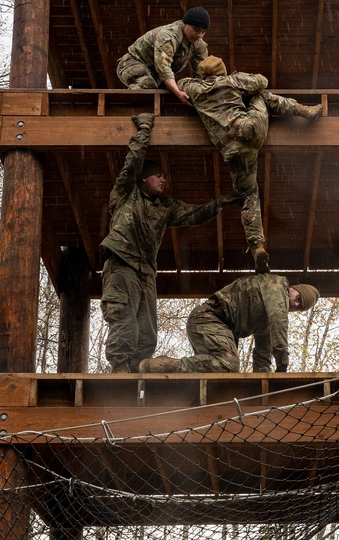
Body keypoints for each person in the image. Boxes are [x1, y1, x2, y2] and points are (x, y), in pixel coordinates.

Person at [100, 113, 236, 372]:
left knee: (148, 331)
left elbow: (194, 214)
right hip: (121, 264)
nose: (163, 180)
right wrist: (144, 128)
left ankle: (137, 370)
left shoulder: (166, 207)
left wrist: (221, 203)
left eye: (164, 176)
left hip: (146, 272)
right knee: (124, 321)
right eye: (158, 176)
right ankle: (119, 370)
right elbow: (133, 160)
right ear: (144, 179)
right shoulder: (125, 194)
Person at [182, 56, 321, 273]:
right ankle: (303, 110)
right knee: (262, 96)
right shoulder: (233, 81)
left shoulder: (194, 88)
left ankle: (257, 246)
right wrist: (238, 82)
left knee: (248, 195)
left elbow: (181, 84)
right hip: (251, 131)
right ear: (223, 71)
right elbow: (261, 81)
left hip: (232, 151)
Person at [139, 275, 320, 375]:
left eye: (300, 307)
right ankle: (164, 366)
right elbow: (279, 322)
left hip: (219, 329)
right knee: (229, 364)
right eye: (298, 298)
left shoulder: (267, 322)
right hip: (207, 318)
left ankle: (167, 369)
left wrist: (265, 387)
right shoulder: (276, 286)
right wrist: (282, 365)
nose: (296, 304)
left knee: (224, 374)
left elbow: (262, 358)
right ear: (293, 289)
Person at [116, 7, 211, 105]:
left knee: (168, 96)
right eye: (196, 29)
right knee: (148, 84)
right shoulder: (167, 36)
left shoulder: (199, 45)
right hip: (132, 63)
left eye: (203, 32)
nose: (199, 35)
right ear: (184, 24)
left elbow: (202, 73)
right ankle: (125, 107)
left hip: (156, 75)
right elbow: (163, 69)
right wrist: (178, 92)